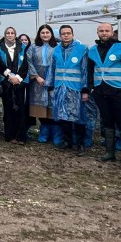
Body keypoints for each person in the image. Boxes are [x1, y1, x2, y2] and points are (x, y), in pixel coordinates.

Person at [88, 23, 121, 168]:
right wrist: (91, 87)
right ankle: (110, 152)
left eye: (106, 31)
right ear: (97, 33)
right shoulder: (93, 50)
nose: (104, 33)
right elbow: (90, 70)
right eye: (101, 31)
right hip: (100, 90)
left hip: (119, 90)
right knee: (107, 121)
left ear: (112, 32)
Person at [46, 25, 89, 156]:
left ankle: (80, 144)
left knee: (79, 117)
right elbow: (52, 69)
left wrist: (85, 89)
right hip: (60, 88)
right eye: (63, 33)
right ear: (60, 35)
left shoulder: (82, 49)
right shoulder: (56, 50)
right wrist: (51, 86)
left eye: (68, 33)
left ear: (72, 34)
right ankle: (67, 141)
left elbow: (85, 70)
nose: (66, 35)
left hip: (76, 89)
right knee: (63, 115)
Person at [0, 27, 29, 144]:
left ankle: (21, 136)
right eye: (8, 33)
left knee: (21, 109)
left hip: (20, 82)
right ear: (5, 34)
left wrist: (18, 78)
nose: (10, 35)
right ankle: (9, 136)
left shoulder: (23, 48)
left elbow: (26, 64)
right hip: (6, 81)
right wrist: (9, 78)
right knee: (8, 109)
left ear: (15, 35)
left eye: (12, 33)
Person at [27, 25, 57, 144]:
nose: (45, 35)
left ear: (51, 34)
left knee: (52, 104)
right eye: (42, 33)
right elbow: (29, 62)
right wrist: (36, 76)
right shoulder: (33, 47)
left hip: (54, 80)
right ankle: (44, 131)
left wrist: (51, 78)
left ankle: (55, 133)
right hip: (37, 81)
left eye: (47, 32)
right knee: (40, 106)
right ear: (39, 34)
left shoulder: (57, 47)